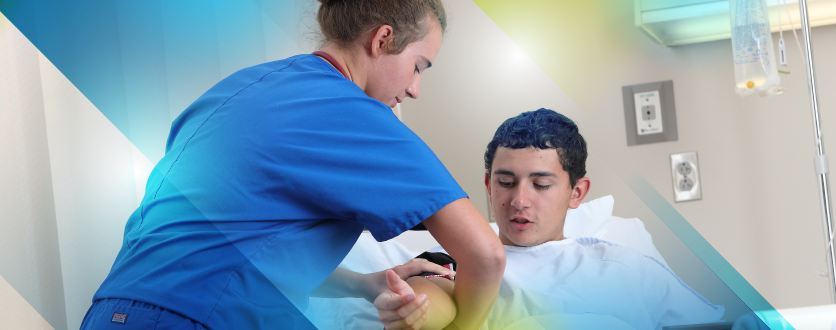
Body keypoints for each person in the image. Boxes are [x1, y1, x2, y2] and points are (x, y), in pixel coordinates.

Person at [80, 1, 505, 329]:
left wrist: (366, 282)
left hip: (108, 312)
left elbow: (236, 249)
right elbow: (486, 257)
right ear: (382, 39)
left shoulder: (232, 91)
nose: (415, 89)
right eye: (418, 66)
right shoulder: (355, 114)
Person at [373, 109, 725, 330]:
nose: (519, 200)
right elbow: (430, 296)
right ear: (488, 185)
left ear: (577, 193)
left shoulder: (629, 268)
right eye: (505, 182)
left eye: (541, 184)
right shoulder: (460, 256)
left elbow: (715, 324)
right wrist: (413, 314)